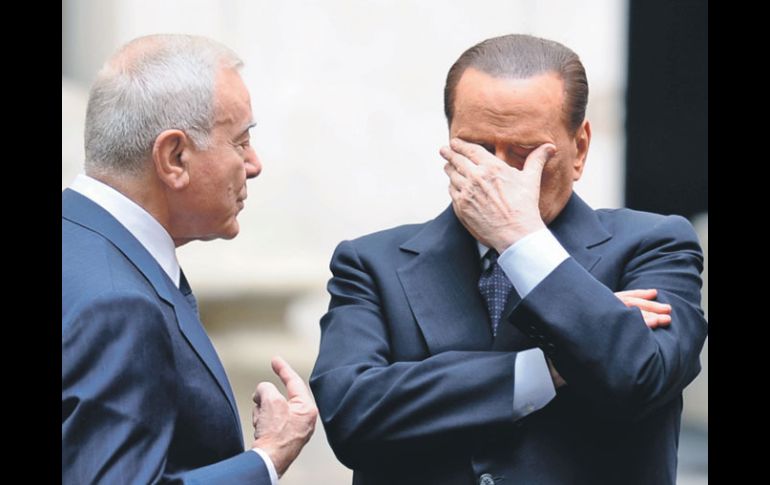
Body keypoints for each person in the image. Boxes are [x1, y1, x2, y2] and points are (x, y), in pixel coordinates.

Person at [310, 34, 707, 484]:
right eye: (477, 150)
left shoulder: (654, 244)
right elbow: (351, 415)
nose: (497, 175)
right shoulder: (371, 263)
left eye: (524, 154)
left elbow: (640, 374)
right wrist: (546, 368)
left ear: (579, 149)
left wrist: (521, 238)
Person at [62, 34, 317, 484]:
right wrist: (268, 458)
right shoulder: (120, 305)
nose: (254, 164)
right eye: (240, 142)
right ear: (174, 157)